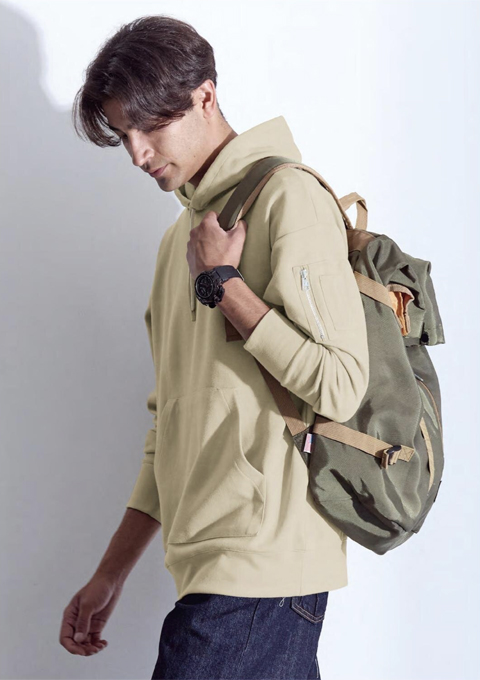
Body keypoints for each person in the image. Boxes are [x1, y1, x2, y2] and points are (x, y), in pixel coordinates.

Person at [59, 14, 369, 679]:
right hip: (212, 573)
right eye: (124, 134)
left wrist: (224, 285)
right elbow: (171, 423)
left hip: (262, 570)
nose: (138, 154)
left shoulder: (289, 197)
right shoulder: (179, 240)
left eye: (150, 126)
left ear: (205, 95)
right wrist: (111, 572)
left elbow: (342, 383)